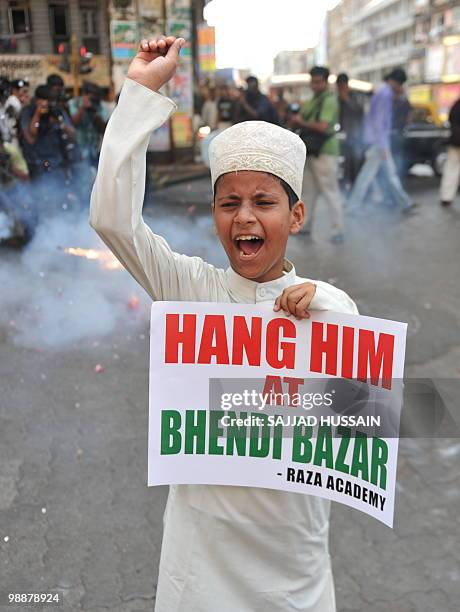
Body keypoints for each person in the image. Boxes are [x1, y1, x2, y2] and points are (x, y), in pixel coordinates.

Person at [90, 35, 358, 612]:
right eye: (227, 202)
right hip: (201, 553)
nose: (244, 218)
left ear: (296, 215)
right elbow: (112, 219)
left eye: (263, 201)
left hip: (292, 556)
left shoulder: (329, 307)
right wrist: (138, 93)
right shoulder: (190, 288)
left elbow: (363, 418)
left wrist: (330, 307)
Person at [348, 68, 417, 214]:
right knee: (369, 176)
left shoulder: (382, 92)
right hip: (378, 143)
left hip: (376, 142)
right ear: (397, 82)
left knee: (382, 175)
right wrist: (384, 146)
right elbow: (380, 123)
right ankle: (353, 207)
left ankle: (405, 203)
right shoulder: (386, 94)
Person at [291, 66, 344, 243]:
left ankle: (338, 230)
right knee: (309, 192)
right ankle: (305, 226)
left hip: (325, 151)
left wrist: (301, 121)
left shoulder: (329, 100)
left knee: (330, 191)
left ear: (326, 81)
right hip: (311, 151)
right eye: (312, 81)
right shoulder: (314, 99)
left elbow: (322, 126)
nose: (314, 85)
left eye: (318, 81)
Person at [19, 84, 77, 179]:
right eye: (46, 100)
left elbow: (72, 134)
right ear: (37, 100)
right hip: (37, 163)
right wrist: (38, 113)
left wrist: (59, 122)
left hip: (57, 162)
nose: (48, 104)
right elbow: (31, 136)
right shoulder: (28, 112)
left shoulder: (57, 112)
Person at [68, 81, 109, 166]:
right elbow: (74, 123)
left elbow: (104, 129)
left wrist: (93, 112)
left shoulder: (102, 106)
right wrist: (83, 108)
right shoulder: (74, 103)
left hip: (96, 150)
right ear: (84, 94)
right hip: (79, 149)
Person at [336, 73, 364, 188]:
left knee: (356, 164)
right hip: (343, 136)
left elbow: (359, 111)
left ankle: (356, 187)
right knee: (345, 165)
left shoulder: (355, 96)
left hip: (356, 136)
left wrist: (346, 99)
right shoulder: (337, 99)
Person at [439, 96, 460, 206]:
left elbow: (451, 120)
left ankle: (446, 196)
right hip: (456, 141)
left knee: (451, 168)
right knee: (452, 168)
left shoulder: (456, 105)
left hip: (455, 141)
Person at [391, 88, 412, 180]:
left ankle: (396, 177)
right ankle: (398, 177)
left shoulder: (394, 102)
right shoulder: (406, 102)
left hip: (394, 132)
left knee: (395, 157)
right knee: (399, 156)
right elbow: (409, 119)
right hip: (401, 132)